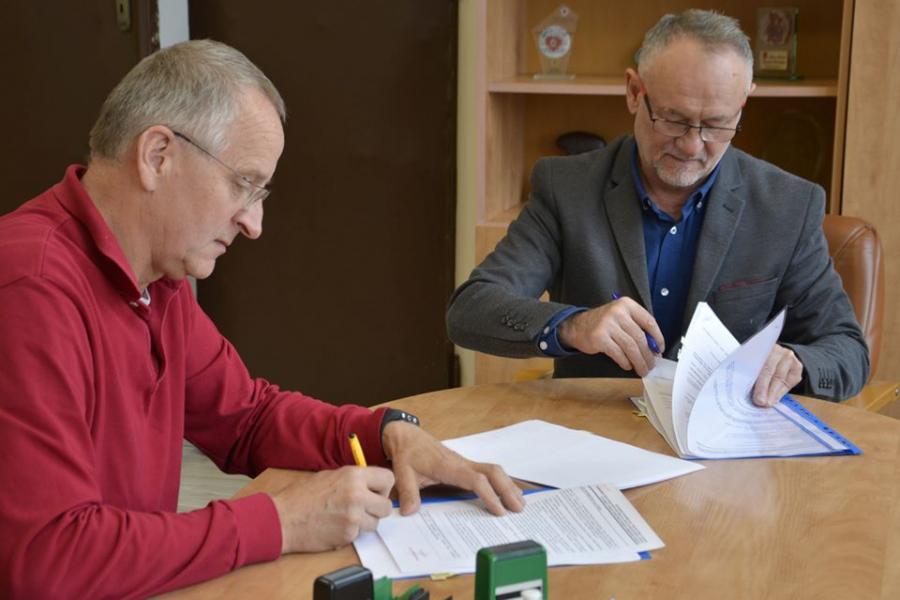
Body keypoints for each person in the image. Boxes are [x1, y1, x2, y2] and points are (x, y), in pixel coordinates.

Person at [0, 40, 524, 598]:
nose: (254, 223)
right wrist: (282, 521)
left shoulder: (157, 276)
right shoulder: (29, 287)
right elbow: (50, 559)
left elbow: (246, 417)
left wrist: (385, 432)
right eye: (244, 184)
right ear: (157, 155)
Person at [447, 9, 868, 405]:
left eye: (717, 124)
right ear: (634, 92)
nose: (692, 145)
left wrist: (797, 362)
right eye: (673, 119)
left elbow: (847, 349)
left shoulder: (788, 206)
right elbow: (471, 310)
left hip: (727, 442)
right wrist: (573, 326)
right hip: (593, 433)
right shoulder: (567, 188)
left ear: (743, 103)